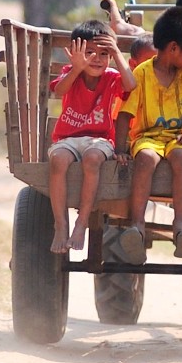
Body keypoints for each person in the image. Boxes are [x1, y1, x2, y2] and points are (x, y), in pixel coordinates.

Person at [117, 6, 182, 260]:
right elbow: (125, 115)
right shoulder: (142, 73)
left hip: (180, 136)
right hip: (147, 137)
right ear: (173, 48)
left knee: (181, 157)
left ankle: (180, 227)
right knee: (145, 158)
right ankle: (137, 226)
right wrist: (120, 149)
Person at [46, 21, 130, 255]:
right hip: (68, 138)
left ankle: (81, 224)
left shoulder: (112, 77)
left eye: (104, 54)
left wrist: (117, 53)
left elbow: (131, 84)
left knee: (93, 159)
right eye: (89, 52)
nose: (96, 59)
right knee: (58, 161)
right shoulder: (69, 73)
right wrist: (75, 68)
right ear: (75, 53)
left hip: (100, 139)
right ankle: (61, 225)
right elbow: (59, 91)